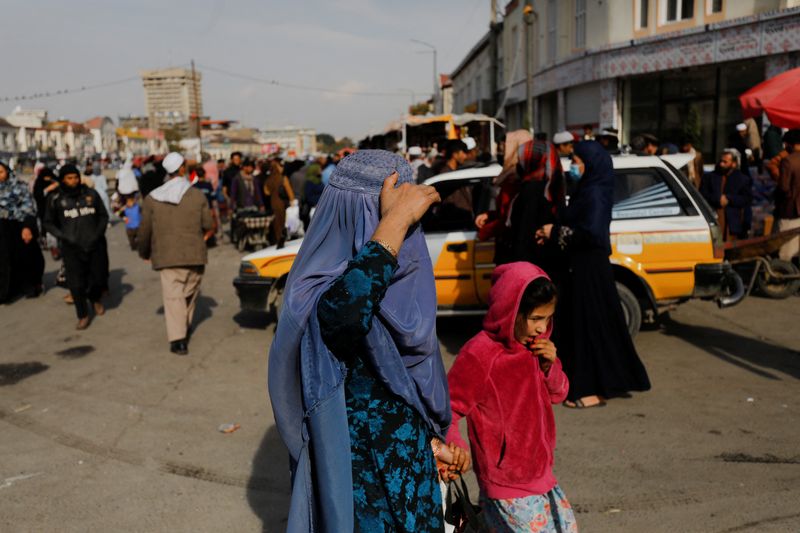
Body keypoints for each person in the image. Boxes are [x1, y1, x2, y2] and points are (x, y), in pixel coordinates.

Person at [268, 150, 464, 532]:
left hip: (413, 479)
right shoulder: (319, 288)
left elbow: (404, 393)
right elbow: (343, 315)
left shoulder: (402, 283)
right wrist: (396, 221)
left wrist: (429, 443)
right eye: (386, 213)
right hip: (360, 490)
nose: (407, 234)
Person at [446, 262, 577, 532]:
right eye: (536, 319)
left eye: (548, 318)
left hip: (542, 476)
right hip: (506, 485)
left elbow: (560, 393)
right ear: (511, 310)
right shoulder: (480, 353)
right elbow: (447, 407)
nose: (542, 328)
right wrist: (455, 445)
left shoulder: (536, 349)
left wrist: (549, 367)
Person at [535, 141, 651, 408]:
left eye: (576, 160)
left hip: (591, 269)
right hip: (580, 267)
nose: (573, 165)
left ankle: (595, 391)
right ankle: (594, 383)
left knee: (592, 328)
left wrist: (555, 232)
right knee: (588, 327)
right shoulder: (586, 189)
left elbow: (592, 235)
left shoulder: (596, 193)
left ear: (591, 163)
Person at [138, 152, 214, 355]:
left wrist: (144, 252)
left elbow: (144, 230)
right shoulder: (197, 195)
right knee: (189, 294)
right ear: (182, 169)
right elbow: (208, 224)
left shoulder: (152, 198)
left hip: (166, 256)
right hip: (195, 254)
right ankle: (182, 330)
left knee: (174, 298)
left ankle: (178, 339)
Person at [44, 164, 109, 329]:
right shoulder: (56, 198)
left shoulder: (90, 194)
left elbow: (103, 215)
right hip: (72, 248)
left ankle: (95, 299)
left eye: (76, 177)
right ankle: (83, 315)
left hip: (95, 244)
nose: (73, 181)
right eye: (69, 178)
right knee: (76, 284)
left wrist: (97, 233)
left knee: (98, 278)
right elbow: (48, 222)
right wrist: (63, 236)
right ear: (63, 180)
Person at [0, 161, 45, 301]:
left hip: (18, 226)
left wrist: (27, 227)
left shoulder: (19, 186)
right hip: (1, 230)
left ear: (7, 171)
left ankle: (30, 285)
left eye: (0, 172)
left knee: (26, 257)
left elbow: (28, 207)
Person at [700, 149, 753, 241]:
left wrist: (729, 198)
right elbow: (702, 195)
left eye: (725, 162)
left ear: (734, 164)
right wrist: (717, 199)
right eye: (721, 161)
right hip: (714, 217)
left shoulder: (742, 179)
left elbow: (746, 199)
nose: (721, 164)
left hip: (732, 221)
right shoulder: (709, 177)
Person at [776, 129, 800, 262]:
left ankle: (782, 280)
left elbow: (783, 188)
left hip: (790, 211)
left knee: (785, 252)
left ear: (790, 144)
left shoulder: (788, 161)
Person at [262, 160, 295, 249]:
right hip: (283, 203)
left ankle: (278, 240)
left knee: (277, 224)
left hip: (273, 203)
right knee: (285, 222)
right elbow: (290, 192)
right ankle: (285, 241)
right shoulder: (283, 179)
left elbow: (267, 192)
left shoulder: (268, 180)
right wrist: (292, 203)